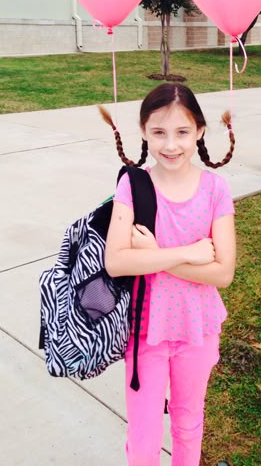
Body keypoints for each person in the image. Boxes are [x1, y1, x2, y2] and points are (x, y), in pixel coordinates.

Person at [100, 83, 236, 466]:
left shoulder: (215, 189)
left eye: (182, 132)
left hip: (198, 329)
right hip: (146, 333)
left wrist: (156, 255)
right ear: (144, 132)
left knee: (189, 422)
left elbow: (222, 272)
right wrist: (190, 256)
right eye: (159, 132)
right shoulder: (133, 184)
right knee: (143, 438)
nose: (171, 145)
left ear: (200, 132)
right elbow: (117, 261)